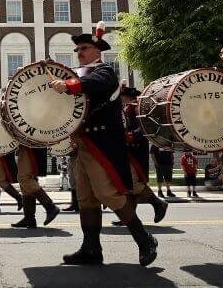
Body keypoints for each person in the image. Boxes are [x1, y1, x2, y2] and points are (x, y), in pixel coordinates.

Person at [50, 22, 157, 267]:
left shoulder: (104, 71)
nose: (80, 53)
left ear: (97, 51)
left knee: (108, 194)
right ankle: (91, 249)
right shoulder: (77, 74)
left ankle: (145, 240)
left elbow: (95, 84)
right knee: (86, 199)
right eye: (78, 50)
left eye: (85, 48)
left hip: (101, 144)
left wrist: (68, 85)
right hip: (83, 144)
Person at [112, 85, 167, 226]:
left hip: (135, 150)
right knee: (128, 186)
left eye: (121, 95)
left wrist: (130, 136)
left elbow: (144, 127)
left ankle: (158, 203)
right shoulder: (127, 108)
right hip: (128, 150)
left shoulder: (136, 108)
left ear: (126, 96)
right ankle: (128, 216)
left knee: (133, 184)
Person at [12, 145, 59, 228]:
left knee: (25, 177)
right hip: (24, 145)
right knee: (25, 182)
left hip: (29, 145)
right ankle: (29, 218)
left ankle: (50, 206)